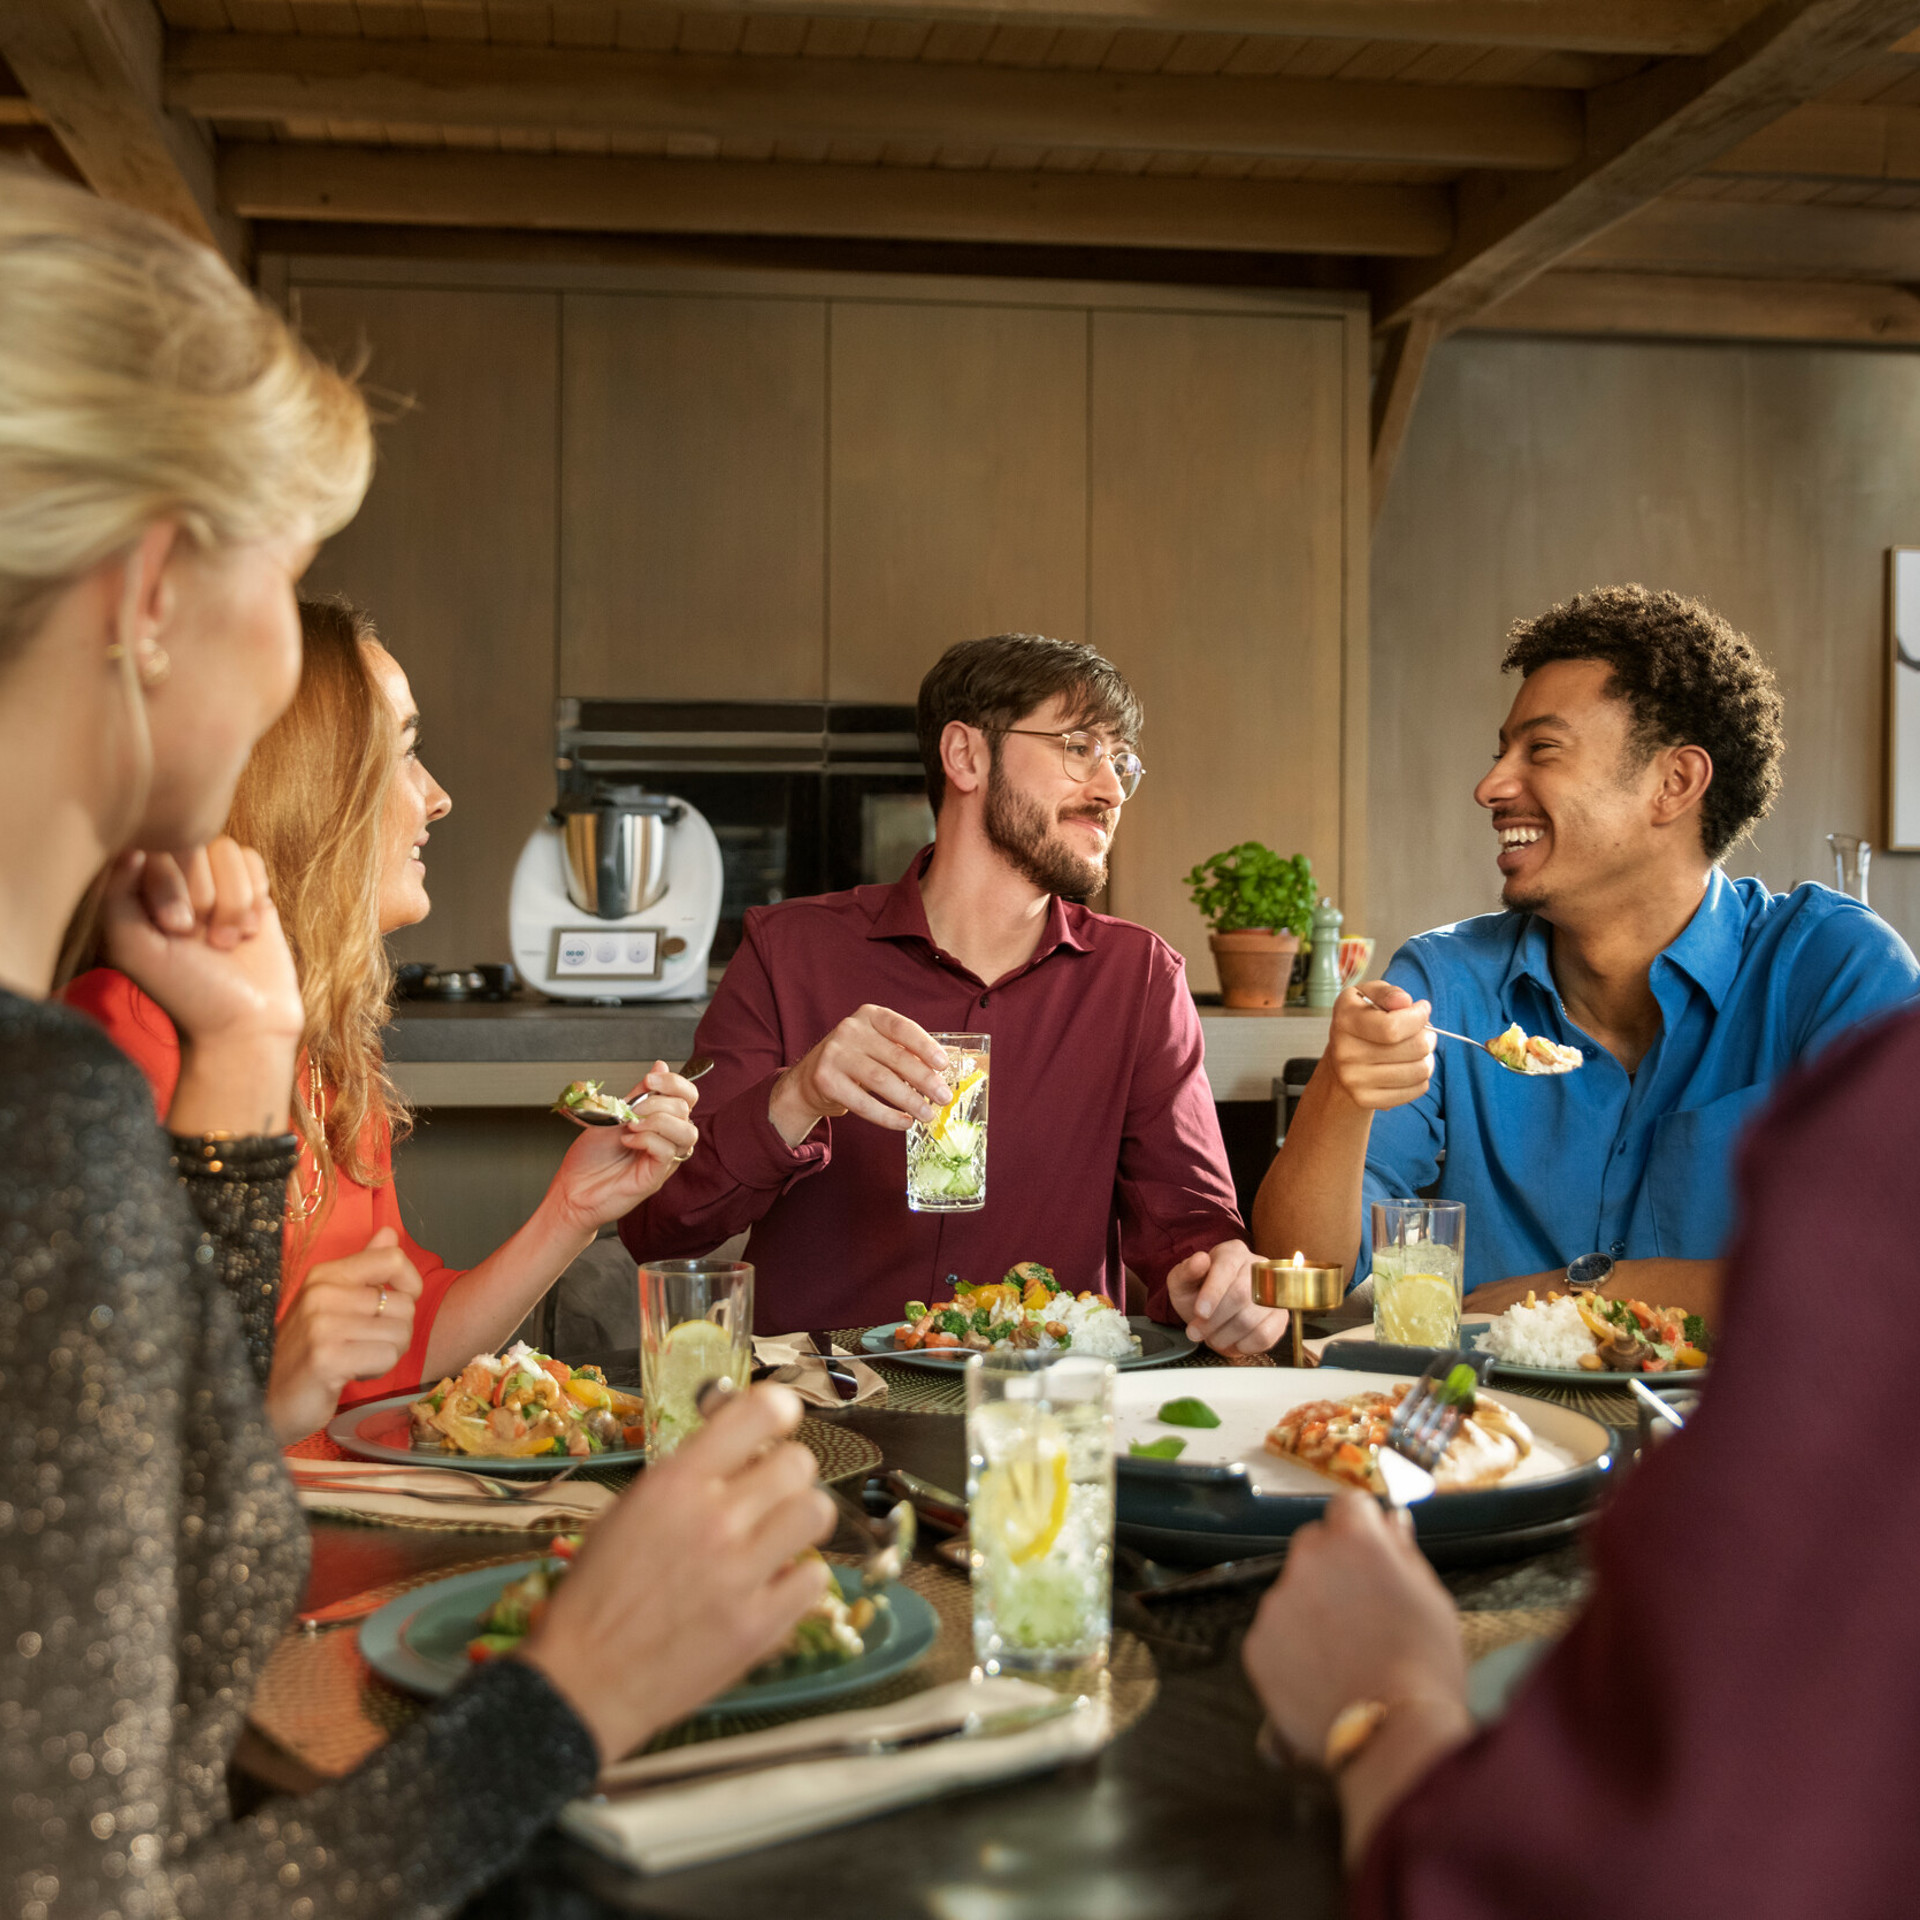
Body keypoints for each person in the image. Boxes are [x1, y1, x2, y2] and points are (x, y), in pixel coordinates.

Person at [0, 166, 832, 1917]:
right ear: (153, 588)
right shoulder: (39, 1114)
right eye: (284, 576)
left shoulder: (121, 1079)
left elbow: (172, 1638)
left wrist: (244, 1070)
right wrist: (574, 1694)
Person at [1242, 997, 1920, 1916]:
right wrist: (1338, 1090)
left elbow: (1648, 1869)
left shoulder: (1840, 989)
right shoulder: (1445, 983)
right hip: (1443, 1436)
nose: (1496, 836)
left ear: (1669, 835)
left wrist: (1379, 1714)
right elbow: (1299, 1257)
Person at [67, 597, 702, 1440]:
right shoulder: (117, 1043)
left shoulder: (327, 1044)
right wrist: (278, 1392)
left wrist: (571, 1211)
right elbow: (96, 1456)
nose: (438, 798)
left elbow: (404, 1335)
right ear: (311, 790)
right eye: (404, 753)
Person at [1254, 587, 1919, 1322]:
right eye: (1501, 752)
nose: (1491, 786)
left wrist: (1582, 1293)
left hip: (1750, 1432)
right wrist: (1339, 1095)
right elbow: (1307, 1275)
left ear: (1674, 783)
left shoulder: (1833, 971)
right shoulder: (1444, 982)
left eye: (1540, 749)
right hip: (1498, 1430)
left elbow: (1890, 1268)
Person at [621, 632, 1286, 1356]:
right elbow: (661, 1228)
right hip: (819, 1416)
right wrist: (796, 1095)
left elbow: (1189, 1225)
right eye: (1078, 747)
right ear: (965, 755)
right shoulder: (789, 952)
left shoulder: (1140, 979)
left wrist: (1213, 1276)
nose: (1111, 788)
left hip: (1041, 1424)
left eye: (1121, 760)